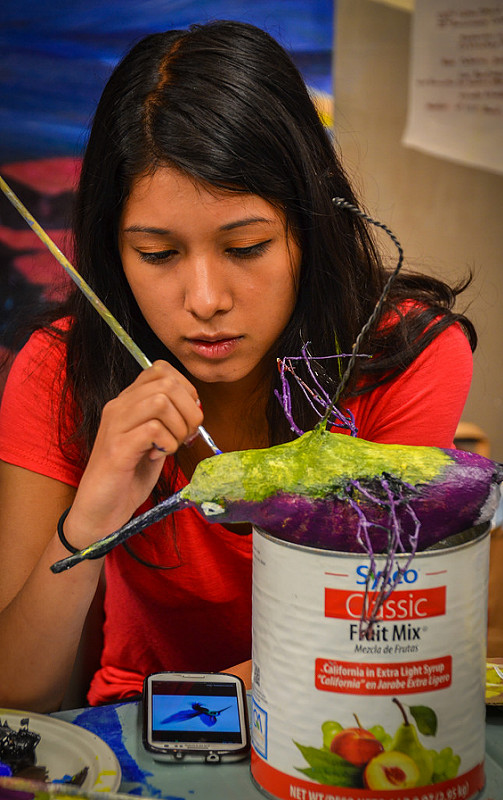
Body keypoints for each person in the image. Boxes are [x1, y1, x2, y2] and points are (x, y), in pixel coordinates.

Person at [0, 20, 475, 712]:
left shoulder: (401, 357)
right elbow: (18, 697)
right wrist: (92, 516)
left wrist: (200, 714)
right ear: (113, 248)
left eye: (246, 247)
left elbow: (364, 654)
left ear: (307, 230)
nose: (204, 301)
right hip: (126, 739)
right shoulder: (58, 371)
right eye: (157, 255)